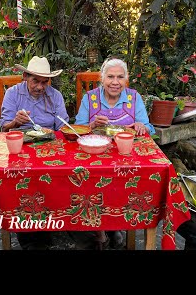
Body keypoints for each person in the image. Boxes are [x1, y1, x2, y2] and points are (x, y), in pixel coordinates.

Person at [71, 57, 156, 250]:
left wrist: (142, 125)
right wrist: (91, 125)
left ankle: (116, 225)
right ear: (102, 78)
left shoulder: (134, 97)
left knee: (125, 185)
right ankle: (98, 229)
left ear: (126, 80)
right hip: (93, 156)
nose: (115, 82)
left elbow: (149, 128)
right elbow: (77, 129)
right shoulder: (90, 98)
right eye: (110, 76)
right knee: (88, 183)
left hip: (124, 156)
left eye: (120, 77)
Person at [0, 56, 69, 250]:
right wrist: (16, 122)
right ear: (24, 77)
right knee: (22, 181)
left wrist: (56, 136)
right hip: (20, 148)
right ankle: (29, 235)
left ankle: (49, 222)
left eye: (44, 82)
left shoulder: (55, 96)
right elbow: (5, 129)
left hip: (49, 149)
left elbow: (62, 128)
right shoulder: (13, 94)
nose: (40, 86)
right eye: (35, 81)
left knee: (57, 177)